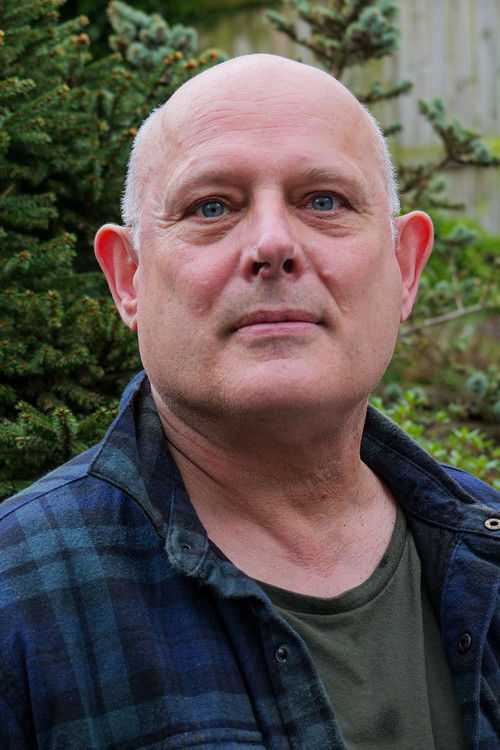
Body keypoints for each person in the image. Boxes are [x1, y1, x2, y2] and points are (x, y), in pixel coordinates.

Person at [0, 54, 498, 750]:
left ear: (405, 267)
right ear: (128, 278)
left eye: (324, 201)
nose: (272, 244)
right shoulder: (17, 599)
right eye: (212, 207)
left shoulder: (488, 553)